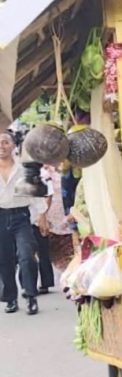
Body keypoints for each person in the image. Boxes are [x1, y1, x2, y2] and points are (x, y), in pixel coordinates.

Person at [0, 130, 42, 314]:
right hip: (1, 217)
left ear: (13, 145)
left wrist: (42, 215)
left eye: (5, 142)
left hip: (21, 217)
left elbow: (35, 193)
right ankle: (10, 298)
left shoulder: (23, 168)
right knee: (5, 260)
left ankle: (31, 296)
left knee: (27, 256)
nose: (1, 147)